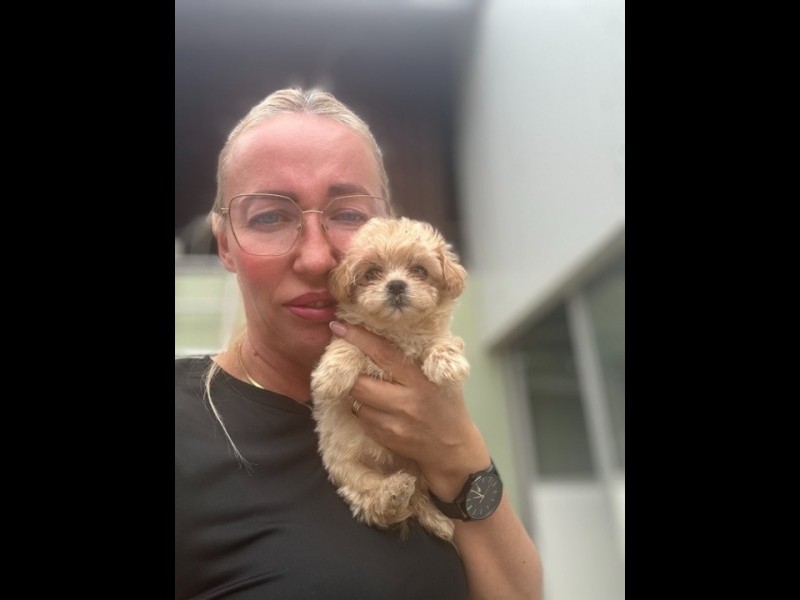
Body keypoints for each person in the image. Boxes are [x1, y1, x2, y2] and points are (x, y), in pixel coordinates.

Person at [175, 87, 543, 599]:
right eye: (269, 217)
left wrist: (458, 449)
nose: (317, 259)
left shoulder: (426, 403)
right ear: (225, 246)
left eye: (349, 214)